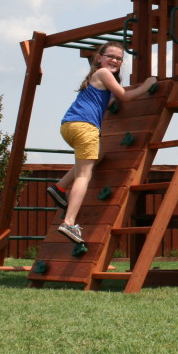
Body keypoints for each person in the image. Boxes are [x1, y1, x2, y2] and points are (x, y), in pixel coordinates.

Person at [46, 42, 156, 243]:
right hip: (85, 127)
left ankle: (59, 187)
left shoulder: (99, 81)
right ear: (99, 58)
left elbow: (110, 101)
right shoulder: (104, 73)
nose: (114, 60)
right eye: (110, 56)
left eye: (119, 58)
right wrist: (147, 85)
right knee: (83, 176)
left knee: (96, 158)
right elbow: (124, 96)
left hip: (70, 125)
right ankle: (69, 222)